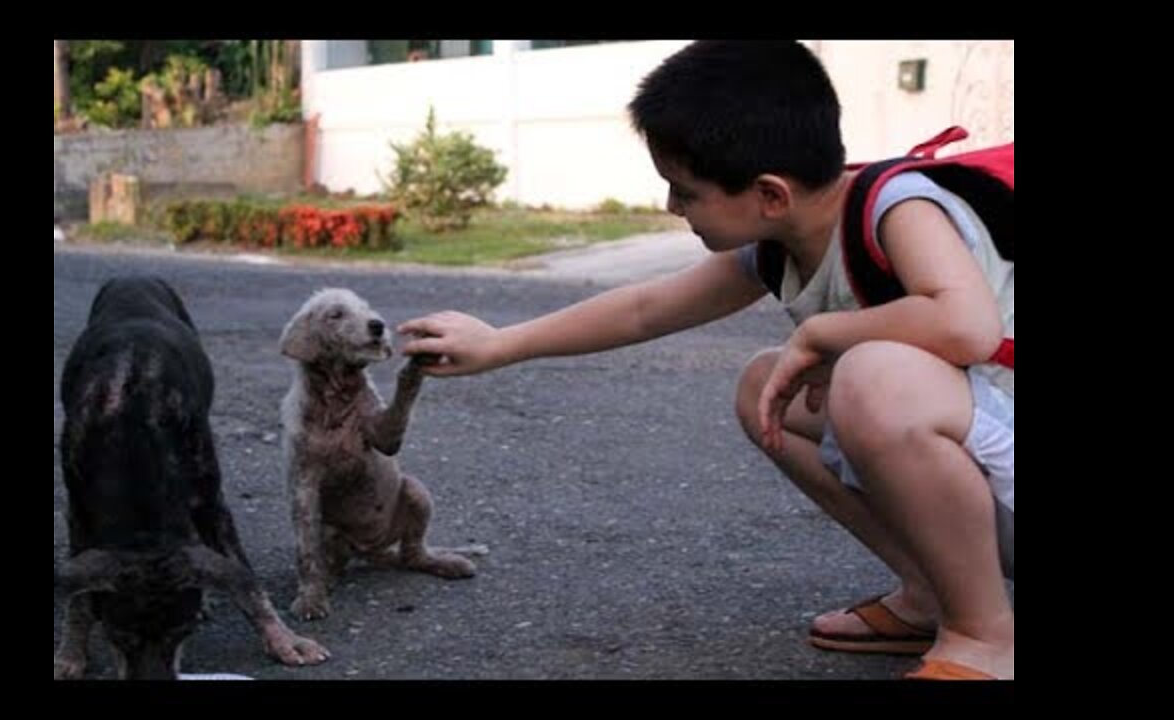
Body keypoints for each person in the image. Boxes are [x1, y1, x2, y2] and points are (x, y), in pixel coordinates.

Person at [398, 40, 1013, 680]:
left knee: (867, 377)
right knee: (761, 385)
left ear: (770, 194)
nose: (672, 208)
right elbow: (646, 307)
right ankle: (932, 596)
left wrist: (825, 333)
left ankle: (985, 635)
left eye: (684, 192)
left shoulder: (900, 208)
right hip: (990, 463)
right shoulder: (782, 240)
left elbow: (966, 326)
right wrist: (500, 343)